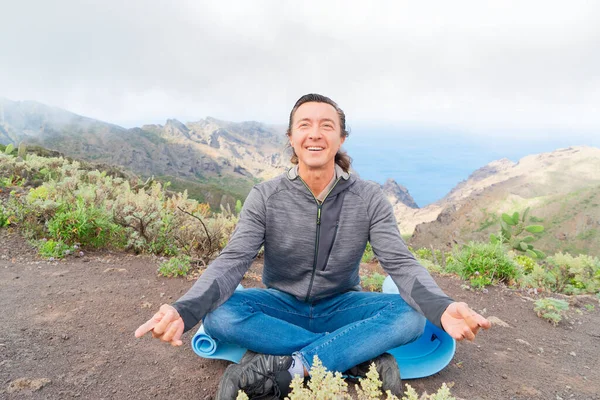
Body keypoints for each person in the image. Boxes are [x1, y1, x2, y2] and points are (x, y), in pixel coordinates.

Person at [135, 94, 491, 399]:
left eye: (326, 125)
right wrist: (186, 309)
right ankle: (353, 354)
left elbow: (399, 262)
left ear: (340, 138)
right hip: (282, 305)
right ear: (292, 138)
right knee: (219, 314)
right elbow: (233, 260)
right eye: (304, 125)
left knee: (411, 316)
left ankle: (293, 368)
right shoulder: (266, 196)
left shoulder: (368, 198)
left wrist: (441, 305)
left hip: (342, 304)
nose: (315, 133)